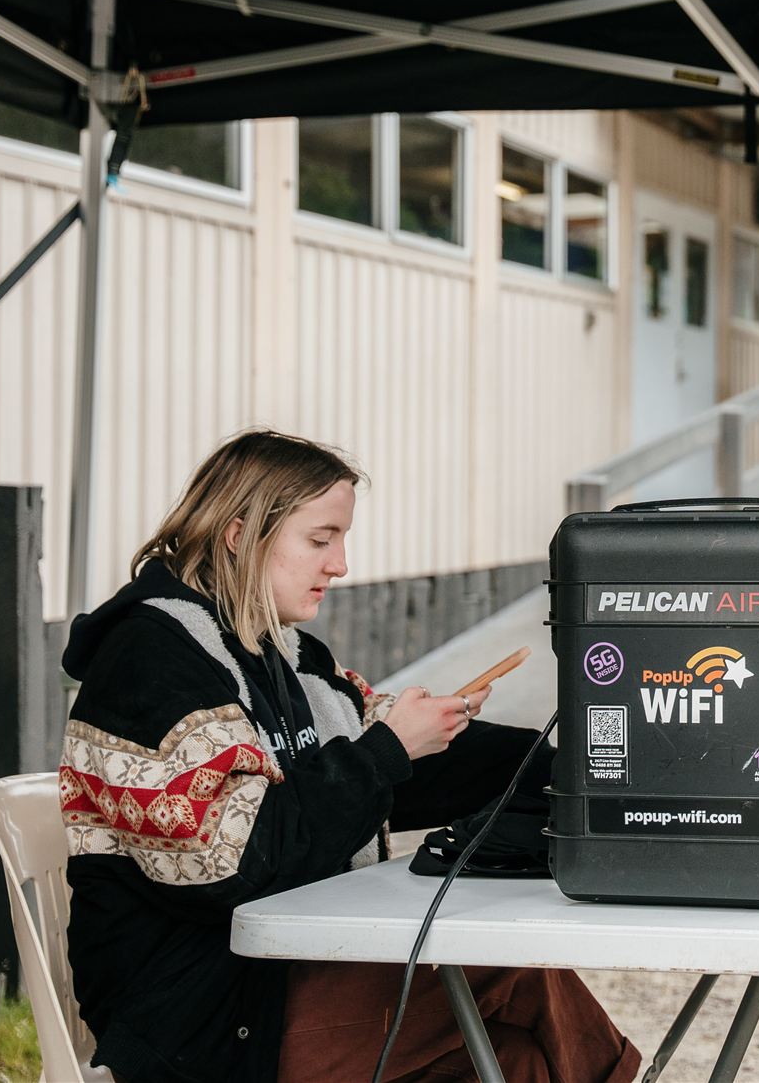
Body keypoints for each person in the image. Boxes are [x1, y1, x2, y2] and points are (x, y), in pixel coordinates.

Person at [58, 430, 640, 1083]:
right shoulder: (150, 663)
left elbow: (391, 765)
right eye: (320, 538)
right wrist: (388, 748)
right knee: (514, 972)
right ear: (238, 532)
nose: (340, 564)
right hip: (195, 1019)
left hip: (274, 979)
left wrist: (585, 770)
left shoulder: (285, 655)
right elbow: (236, 864)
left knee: (514, 1063)